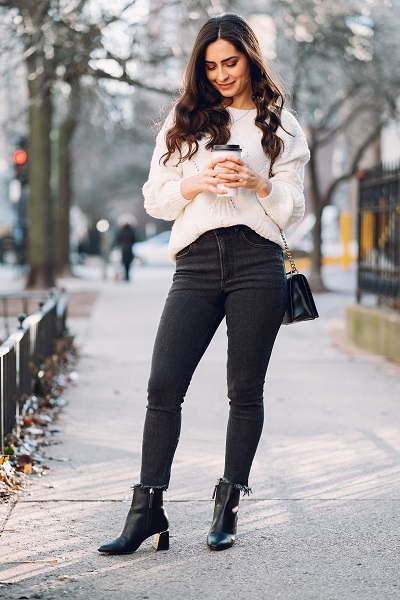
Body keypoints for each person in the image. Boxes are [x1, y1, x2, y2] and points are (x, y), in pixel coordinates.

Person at [98, 12, 310, 555]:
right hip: (194, 261)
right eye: (210, 65)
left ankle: (228, 502)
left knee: (244, 389)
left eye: (231, 62)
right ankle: (147, 508)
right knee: (163, 384)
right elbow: (156, 199)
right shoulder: (184, 118)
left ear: (251, 58)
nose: (221, 74)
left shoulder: (279, 124)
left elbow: (295, 210)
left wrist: (261, 183)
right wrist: (196, 182)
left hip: (256, 261)